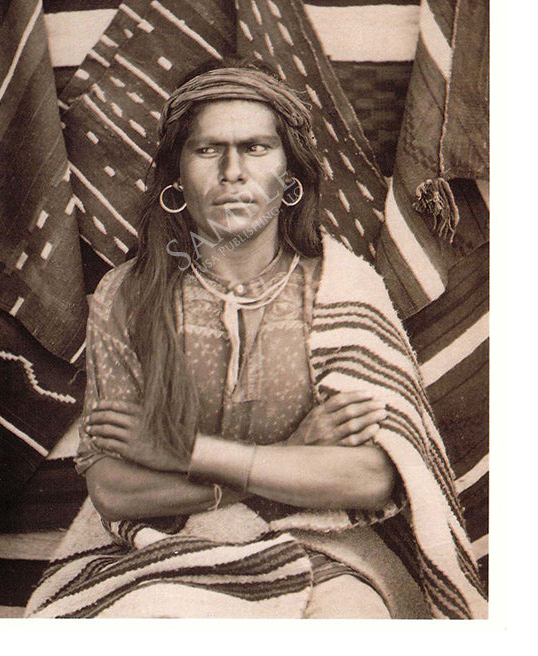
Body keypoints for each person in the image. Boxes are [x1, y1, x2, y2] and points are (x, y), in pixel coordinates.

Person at [28, 65, 486, 619]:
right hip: (158, 553)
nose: (232, 172)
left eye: (255, 148)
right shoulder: (128, 296)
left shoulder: (341, 286)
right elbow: (116, 491)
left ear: (290, 174)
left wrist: (187, 453)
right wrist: (292, 455)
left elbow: (371, 478)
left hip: (326, 549)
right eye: (207, 150)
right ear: (176, 175)